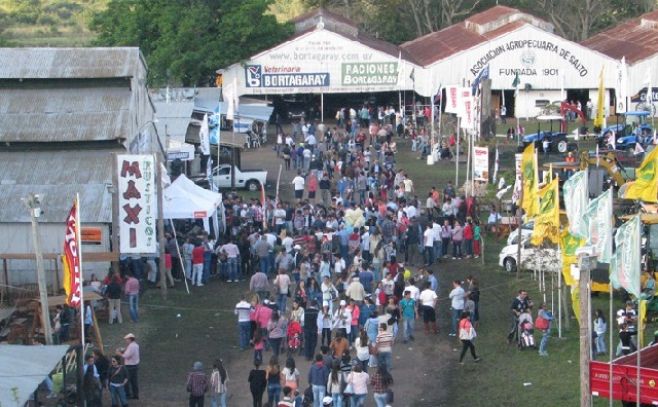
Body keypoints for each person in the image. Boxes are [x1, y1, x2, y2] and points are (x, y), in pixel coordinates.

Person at [118, 333, 140, 399]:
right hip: (135, 365)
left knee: (126, 381)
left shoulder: (131, 346)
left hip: (130, 366)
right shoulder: (136, 345)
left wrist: (119, 353)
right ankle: (136, 395)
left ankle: (128, 395)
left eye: (126, 339)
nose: (126, 341)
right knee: (134, 381)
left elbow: (126, 356)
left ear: (130, 339)